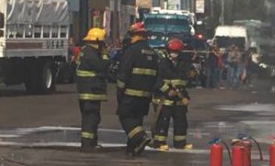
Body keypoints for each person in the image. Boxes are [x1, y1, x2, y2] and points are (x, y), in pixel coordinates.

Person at [116, 22, 158, 156]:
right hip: (145, 96)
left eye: (132, 35)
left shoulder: (132, 51)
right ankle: (133, 148)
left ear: (138, 35)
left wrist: (119, 92)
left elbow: (124, 73)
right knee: (137, 120)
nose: (131, 38)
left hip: (130, 94)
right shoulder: (153, 53)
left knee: (125, 116)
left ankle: (140, 137)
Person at [152, 38, 195, 150]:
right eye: (172, 51)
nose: (174, 54)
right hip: (165, 98)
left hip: (179, 98)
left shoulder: (184, 62)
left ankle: (180, 143)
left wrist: (193, 74)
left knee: (181, 121)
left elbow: (187, 78)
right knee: (163, 122)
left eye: (176, 52)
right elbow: (157, 80)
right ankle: (159, 143)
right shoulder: (162, 62)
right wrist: (167, 90)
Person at [76, 27, 110, 150]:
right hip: (92, 91)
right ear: (98, 42)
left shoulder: (84, 51)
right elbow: (102, 67)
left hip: (85, 91)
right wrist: (105, 56)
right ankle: (88, 144)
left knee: (89, 117)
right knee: (91, 118)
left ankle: (90, 142)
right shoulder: (92, 54)